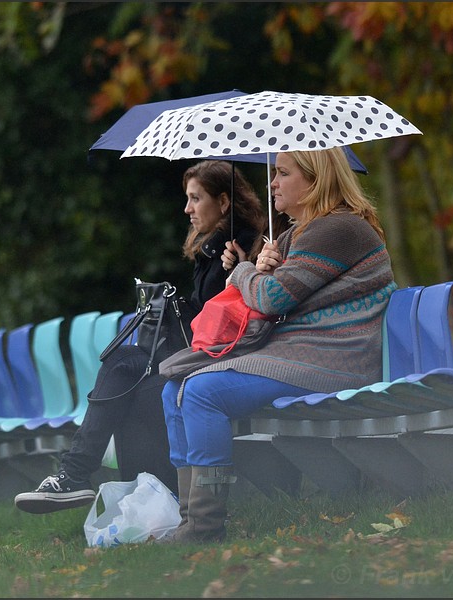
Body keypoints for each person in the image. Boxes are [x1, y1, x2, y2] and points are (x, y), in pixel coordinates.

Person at [161, 147, 397, 543]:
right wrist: (262, 268)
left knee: (200, 393)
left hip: (333, 360)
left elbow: (271, 299)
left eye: (283, 172)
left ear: (316, 179)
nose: (271, 182)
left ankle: (205, 525)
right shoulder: (301, 233)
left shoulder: (338, 228)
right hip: (296, 355)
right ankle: (190, 519)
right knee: (174, 390)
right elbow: (268, 294)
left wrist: (243, 272)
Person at [14, 160, 267, 514]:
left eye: (196, 199)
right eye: (187, 198)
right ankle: (130, 498)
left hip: (216, 364)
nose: (187, 209)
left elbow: (230, 321)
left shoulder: (245, 248)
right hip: (194, 359)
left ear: (224, 202)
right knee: (123, 369)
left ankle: (90, 483)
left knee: (126, 381)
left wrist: (239, 269)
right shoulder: (214, 248)